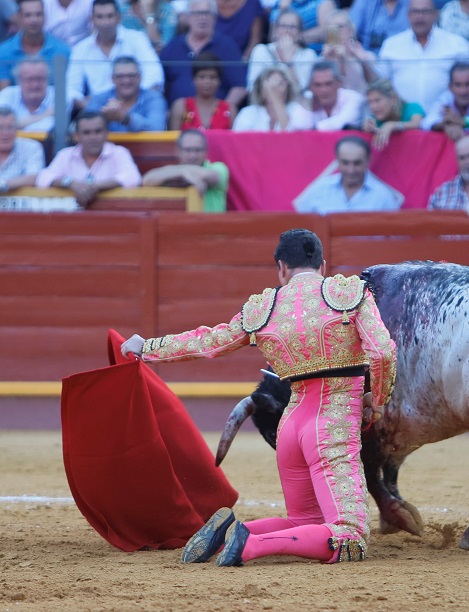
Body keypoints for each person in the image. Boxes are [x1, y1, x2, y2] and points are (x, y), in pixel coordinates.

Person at [121, 228, 397, 567]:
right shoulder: (350, 293)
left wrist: (148, 347)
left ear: (282, 268)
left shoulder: (264, 309)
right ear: (322, 265)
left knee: (305, 522)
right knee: (350, 537)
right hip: (333, 426)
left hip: (291, 428)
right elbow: (383, 353)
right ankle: (248, 545)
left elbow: (210, 342)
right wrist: (378, 399)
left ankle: (231, 532)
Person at [67, 0, 163, 112]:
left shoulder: (137, 39)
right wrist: (95, 106)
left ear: (118, 17)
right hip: (96, 113)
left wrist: (129, 102)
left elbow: (154, 76)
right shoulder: (81, 48)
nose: (105, 22)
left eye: (110, 16)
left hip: (136, 108)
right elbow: (71, 90)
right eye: (100, 17)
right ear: (91, 19)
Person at [377, 0, 469, 113]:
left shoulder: (457, 44)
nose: (419, 16)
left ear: (435, 15)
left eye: (425, 11)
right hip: (402, 122)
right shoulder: (391, 45)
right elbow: (379, 84)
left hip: (445, 120)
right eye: (415, 11)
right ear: (408, 15)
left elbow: (468, 85)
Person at [35, 111, 142, 207]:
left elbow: (133, 177)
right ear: (77, 136)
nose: (93, 137)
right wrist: (71, 183)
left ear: (106, 133)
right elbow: (43, 178)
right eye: (87, 132)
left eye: (98, 131)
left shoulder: (119, 152)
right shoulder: (65, 155)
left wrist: (95, 186)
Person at [159, 0, 246, 108]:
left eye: (207, 13)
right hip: (178, 119)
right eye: (197, 13)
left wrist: (221, 114)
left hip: (217, 120)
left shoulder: (227, 46)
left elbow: (240, 87)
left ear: (215, 17)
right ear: (187, 18)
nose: (202, 18)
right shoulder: (172, 48)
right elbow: (159, 87)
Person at [294, 135, 404, 213]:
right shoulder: (319, 190)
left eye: (357, 163)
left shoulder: (383, 196)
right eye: (345, 163)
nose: (351, 170)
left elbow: (395, 240)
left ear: (368, 161)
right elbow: (301, 230)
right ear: (337, 161)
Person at [141, 129, 230, 212]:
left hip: (214, 226)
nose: (193, 156)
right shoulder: (174, 171)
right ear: (178, 152)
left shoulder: (218, 167)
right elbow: (147, 180)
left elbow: (210, 176)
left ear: (206, 152)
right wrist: (183, 173)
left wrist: (181, 173)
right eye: (188, 150)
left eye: (198, 150)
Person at [0, 0, 72, 91]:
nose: (33, 20)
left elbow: (62, 95)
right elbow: (3, 96)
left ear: (45, 17)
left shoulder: (62, 51)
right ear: (19, 18)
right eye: (28, 15)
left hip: (53, 104)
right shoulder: (4, 52)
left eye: (38, 14)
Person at [85, 55, 168, 131]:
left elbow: (157, 129)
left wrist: (125, 118)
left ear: (140, 77)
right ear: (112, 79)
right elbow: (86, 128)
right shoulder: (99, 99)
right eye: (120, 76)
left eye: (131, 76)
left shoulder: (153, 98)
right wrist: (104, 118)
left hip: (145, 147)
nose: (126, 80)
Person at [247, 9, 319, 93]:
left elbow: (301, 89)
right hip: (264, 102)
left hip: (295, 104)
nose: (287, 30)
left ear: (300, 33)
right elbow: (252, 87)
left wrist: (288, 61)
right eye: (283, 26)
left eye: (293, 27)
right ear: (276, 30)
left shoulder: (308, 54)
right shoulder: (261, 50)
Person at [232, 64, 313, 131]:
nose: (274, 88)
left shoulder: (296, 110)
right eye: (270, 84)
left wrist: (276, 99)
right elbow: (238, 143)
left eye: (279, 83)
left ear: (287, 87)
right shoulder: (248, 113)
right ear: (260, 89)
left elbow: (290, 136)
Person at [421, 61, 469, 139]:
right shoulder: (445, 98)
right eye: (458, 85)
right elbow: (427, 122)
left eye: (468, 84)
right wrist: (446, 125)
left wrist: (463, 122)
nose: (463, 91)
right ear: (450, 87)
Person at [0, 56, 63, 131]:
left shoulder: (59, 95)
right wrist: (44, 115)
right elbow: (2, 125)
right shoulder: (7, 94)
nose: (35, 85)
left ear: (48, 79)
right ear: (19, 80)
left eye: (39, 79)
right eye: (29, 79)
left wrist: (20, 123)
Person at [320, 10, 380, 95]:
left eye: (340, 27)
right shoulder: (322, 60)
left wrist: (362, 62)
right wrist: (329, 62)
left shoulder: (367, 56)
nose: (336, 32)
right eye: (331, 29)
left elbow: (378, 87)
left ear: (351, 30)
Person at [169, 52, 234, 130]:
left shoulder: (230, 110)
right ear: (194, 80)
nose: (207, 82)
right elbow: (174, 140)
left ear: (219, 81)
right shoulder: (181, 106)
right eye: (202, 77)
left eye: (213, 77)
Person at [362, 78, 423, 149]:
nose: (373, 106)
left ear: (393, 98)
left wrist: (391, 125)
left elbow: (417, 124)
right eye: (370, 102)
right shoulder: (374, 119)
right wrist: (367, 129)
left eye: (377, 100)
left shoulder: (412, 107)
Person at [308, 61, 366, 131]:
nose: (323, 90)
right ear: (310, 87)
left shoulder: (354, 98)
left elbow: (342, 122)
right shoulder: (307, 102)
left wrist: (313, 129)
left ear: (339, 83)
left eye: (328, 84)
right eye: (318, 85)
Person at [268, 0, 335, 53]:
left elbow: (329, 32)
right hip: (283, 56)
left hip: (320, 56)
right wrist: (282, 10)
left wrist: (297, 37)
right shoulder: (280, 4)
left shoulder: (323, 2)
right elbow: (273, 37)